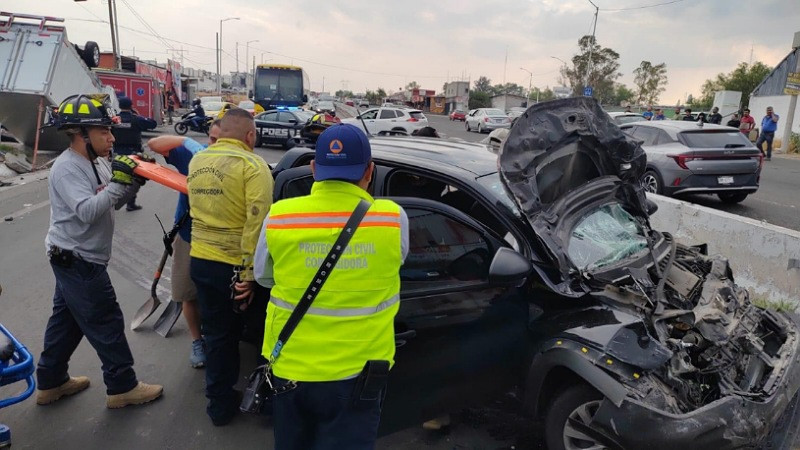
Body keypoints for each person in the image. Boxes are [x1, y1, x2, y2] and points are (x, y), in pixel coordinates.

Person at [255, 123, 409, 449]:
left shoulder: (280, 215)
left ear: (314, 169)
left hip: (289, 369)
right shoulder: (393, 219)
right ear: (370, 170)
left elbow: (264, 277)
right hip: (359, 375)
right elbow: (397, 262)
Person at [36, 94, 163, 409]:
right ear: (81, 134)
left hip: (75, 255)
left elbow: (112, 202)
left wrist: (132, 182)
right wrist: (120, 184)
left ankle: (51, 382)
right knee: (105, 319)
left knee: (66, 322)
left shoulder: (97, 163)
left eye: (110, 130)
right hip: (77, 259)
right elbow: (87, 211)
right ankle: (122, 387)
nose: (111, 137)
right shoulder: (67, 168)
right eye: (104, 131)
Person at [187, 108, 273, 426]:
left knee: (218, 336)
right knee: (264, 332)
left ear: (221, 132)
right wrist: (249, 274)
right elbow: (257, 224)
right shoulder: (253, 166)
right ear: (250, 136)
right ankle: (266, 403)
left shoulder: (199, 161)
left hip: (201, 261)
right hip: (235, 267)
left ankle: (219, 406)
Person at [146, 119, 223, 368]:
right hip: (189, 235)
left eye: (222, 140)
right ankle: (197, 340)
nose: (215, 145)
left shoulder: (240, 162)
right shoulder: (193, 155)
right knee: (187, 293)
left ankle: (219, 337)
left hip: (222, 239)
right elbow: (154, 144)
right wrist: (185, 141)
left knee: (220, 295)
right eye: (212, 139)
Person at [112, 96, 157, 211]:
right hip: (133, 154)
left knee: (115, 177)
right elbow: (153, 124)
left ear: (120, 106)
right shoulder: (136, 119)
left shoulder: (115, 119)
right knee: (133, 179)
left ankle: (111, 202)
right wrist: (139, 115)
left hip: (116, 152)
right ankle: (130, 204)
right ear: (131, 106)